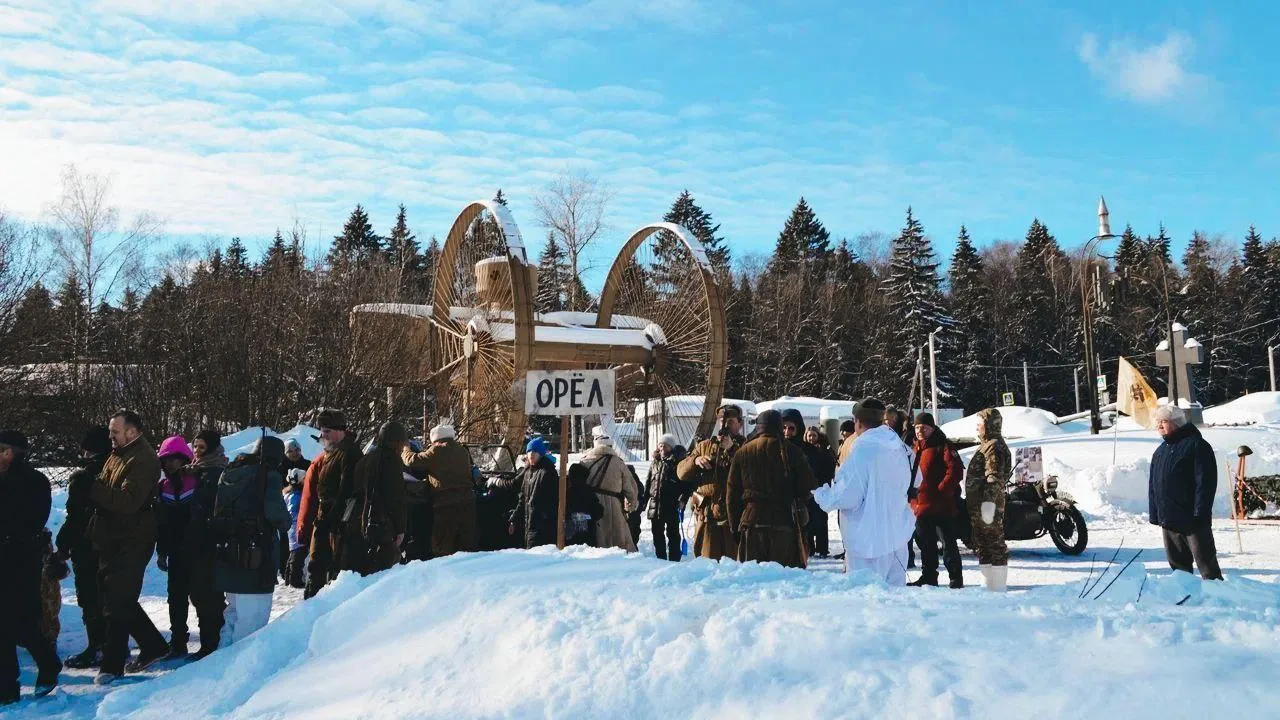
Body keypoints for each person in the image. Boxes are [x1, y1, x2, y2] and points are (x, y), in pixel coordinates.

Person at [92, 410, 169, 684]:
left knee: (117, 601)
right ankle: (153, 645)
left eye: (115, 431)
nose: (110, 436)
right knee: (116, 597)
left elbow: (127, 502)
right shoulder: (120, 452)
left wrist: (92, 487)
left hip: (132, 538)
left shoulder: (143, 459)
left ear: (132, 432)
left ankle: (112, 666)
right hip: (113, 537)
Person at [813, 399, 917, 584]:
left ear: (858, 421)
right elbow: (918, 479)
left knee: (866, 600)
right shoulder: (902, 448)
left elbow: (847, 496)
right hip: (897, 538)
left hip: (868, 543)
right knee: (896, 601)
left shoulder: (863, 450)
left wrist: (823, 496)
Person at [0, 430, 60, 703]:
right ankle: (7, 687)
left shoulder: (35, 481)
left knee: (22, 623)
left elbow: (35, 520)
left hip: (22, 559)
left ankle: (48, 663)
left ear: (12, 452)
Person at [212, 436, 291, 645]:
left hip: (230, 554)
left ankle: (218, 666)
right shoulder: (268, 476)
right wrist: (286, 522)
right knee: (251, 625)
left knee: (233, 615)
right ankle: (240, 673)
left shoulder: (229, 472)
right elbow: (277, 515)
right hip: (256, 558)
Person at [155, 435, 224, 660]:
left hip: (200, 550)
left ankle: (209, 643)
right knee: (175, 598)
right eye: (165, 460)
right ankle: (178, 643)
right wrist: (162, 551)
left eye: (174, 460)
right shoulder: (163, 486)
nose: (169, 464)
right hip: (176, 551)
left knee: (203, 598)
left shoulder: (198, 480)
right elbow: (162, 524)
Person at [726, 410, 817, 568]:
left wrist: (735, 528)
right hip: (783, 523)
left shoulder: (742, 452)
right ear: (779, 426)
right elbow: (808, 488)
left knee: (753, 580)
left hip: (751, 523)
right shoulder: (793, 451)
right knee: (783, 581)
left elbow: (732, 494)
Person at [54, 426, 112, 670]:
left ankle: (97, 646)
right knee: (109, 596)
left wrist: (62, 545)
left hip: (86, 546)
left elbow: (75, 516)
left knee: (89, 597)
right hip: (112, 543)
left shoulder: (83, 477)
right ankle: (111, 643)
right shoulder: (116, 470)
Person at [1149, 405, 1222, 580]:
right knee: (1178, 569)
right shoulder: (1160, 451)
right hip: (1169, 519)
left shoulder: (1197, 445)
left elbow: (1205, 482)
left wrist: (1201, 513)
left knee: (1207, 566)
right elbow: (1153, 485)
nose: (1159, 425)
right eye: (1157, 422)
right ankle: (1185, 596)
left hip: (1193, 519)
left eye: (1164, 421)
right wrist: (1155, 513)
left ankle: (1218, 598)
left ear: (1177, 423)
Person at [677, 404, 746, 560]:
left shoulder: (746, 446)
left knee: (734, 564)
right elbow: (681, 472)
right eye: (722, 421)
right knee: (707, 563)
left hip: (733, 518)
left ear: (740, 424)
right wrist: (695, 460)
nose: (725, 426)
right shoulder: (704, 446)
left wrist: (731, 450)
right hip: (708, 517)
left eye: (730, 422)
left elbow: (751, 472)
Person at [305, 409, 360, 599]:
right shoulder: (333, 451)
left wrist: (333, 517)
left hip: (339, 518)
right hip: (326, 515)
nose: (323, 435)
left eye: (327, 431)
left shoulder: (349, 452)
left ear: (339, 430)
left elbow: (347, 489)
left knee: (334, 567)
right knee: (317, 563)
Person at [402, 423, 477, 557]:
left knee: (443, 545)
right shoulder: (462, 450)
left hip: (446, 505)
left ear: (436, 439)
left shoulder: (437, 450)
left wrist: (406, 449)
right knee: (466, 545)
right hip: (467, 503)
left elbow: (411, 461)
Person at [908, 413, 964, 588]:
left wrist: (942, 490)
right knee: (926, 545)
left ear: (932, 428)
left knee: (948, 544)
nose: (920, 431)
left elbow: (955, 471)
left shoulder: (943, 446)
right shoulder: (915, 447)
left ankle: (955, 577)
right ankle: (929, 576)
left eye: (923, 427)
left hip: (941, 506)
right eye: (917, 427)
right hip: (920, 505)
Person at [346, 422, 409, 574]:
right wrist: (400, 528)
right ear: (397, 442)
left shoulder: (366, 459)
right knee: (384, 574)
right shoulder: (391, 462)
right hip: (382, 524)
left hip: (359, 521)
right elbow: (395, 497)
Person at [965, 408, 1011, 592]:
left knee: (994, 543)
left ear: (989, 425)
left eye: (980, 424)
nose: (977, 428)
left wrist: (987, 508)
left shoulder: (994, 446)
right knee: (983, 543)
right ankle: (988, 584)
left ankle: (998, 587)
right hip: (980, 506)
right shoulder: (987, 444)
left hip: (987, 506)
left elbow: (994, 478)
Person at [576, 431, 639, 552]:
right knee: (617, 539)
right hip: (613, 505)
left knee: (595, 538)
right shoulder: (618, 463)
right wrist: (631, 506)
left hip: (590, 503)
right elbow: (631, 487)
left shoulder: (584, 461)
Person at [510, 437, 560, 548]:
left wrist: (544, 517)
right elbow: (523, 499)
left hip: (543, 527)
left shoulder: (547, 472)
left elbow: (553, 500)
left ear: (541, 454)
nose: (532, 454)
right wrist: (514, 518)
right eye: (529, 451)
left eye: (535, 451)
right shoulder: (528, 472)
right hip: (530, 526)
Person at [645, 434, 689, 562]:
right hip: (655, 506)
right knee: (657, 535)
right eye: (660, 445)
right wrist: (643, 502)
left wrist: (683, 499)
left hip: (671, 505)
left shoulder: (677, 463)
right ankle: (661, 560)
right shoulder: (655, 462)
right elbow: (649, 483)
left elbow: (686, 485)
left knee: (673, 535)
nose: (662, 447)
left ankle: (674, 561)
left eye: (665, 445)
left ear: (671, 447)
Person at [801, 424, 836, 558]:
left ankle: (822, 548)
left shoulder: (824, 450)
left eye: (814, 435)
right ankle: (809, 548)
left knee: (821, 520)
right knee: (808, 519)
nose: (811, 438)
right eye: (809, 435)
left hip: (821, 489)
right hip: (808, 490)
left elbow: (829, 467)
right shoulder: (803, 450)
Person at [282, 468, 306, 586]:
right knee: (297, 553)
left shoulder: (288, 494)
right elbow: (292, 513)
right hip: (295, 527)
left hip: (292, 527)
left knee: (293, 552)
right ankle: (294, 580)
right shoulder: (295, 496)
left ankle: (288, 577)